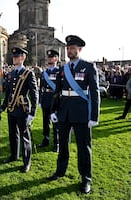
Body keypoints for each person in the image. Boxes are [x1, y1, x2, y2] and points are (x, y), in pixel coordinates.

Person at [48, 35, 100, 194]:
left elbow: (95, 92)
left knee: (84, 148)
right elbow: (57, 92)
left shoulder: (88, 67)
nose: (70, 51)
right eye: (68, 48)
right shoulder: (63, 69)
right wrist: (53, 110)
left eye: (72, 48)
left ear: (80, 49)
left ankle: (86, 179)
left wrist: (94, 116)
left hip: (81, 112)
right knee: (62, 145)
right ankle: (60, 171)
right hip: (64, 112)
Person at [0, 47, 38, 173]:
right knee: (12, 134)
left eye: (17, 56)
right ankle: (13, 155)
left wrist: (32, 113)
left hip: (22, 109)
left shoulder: (28, 74)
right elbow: (9, 93)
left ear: (23, 58)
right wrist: (3, 106)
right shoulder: (11, 73)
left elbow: (34, 94)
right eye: (14, 56)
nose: (15, 58)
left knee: (24, 136)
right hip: (11, 108)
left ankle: (26, 162)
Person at [38, 50, 60, 152]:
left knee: (55, 121)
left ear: (56, 59)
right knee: (45, 121)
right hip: (46, 98)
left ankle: (57, 143)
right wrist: (40, 100)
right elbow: (41, 87)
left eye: (51, 57)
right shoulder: (44, 73)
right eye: (48, 57)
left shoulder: (59, 72)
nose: (49, 59)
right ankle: (46, 139)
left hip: (55, 99)